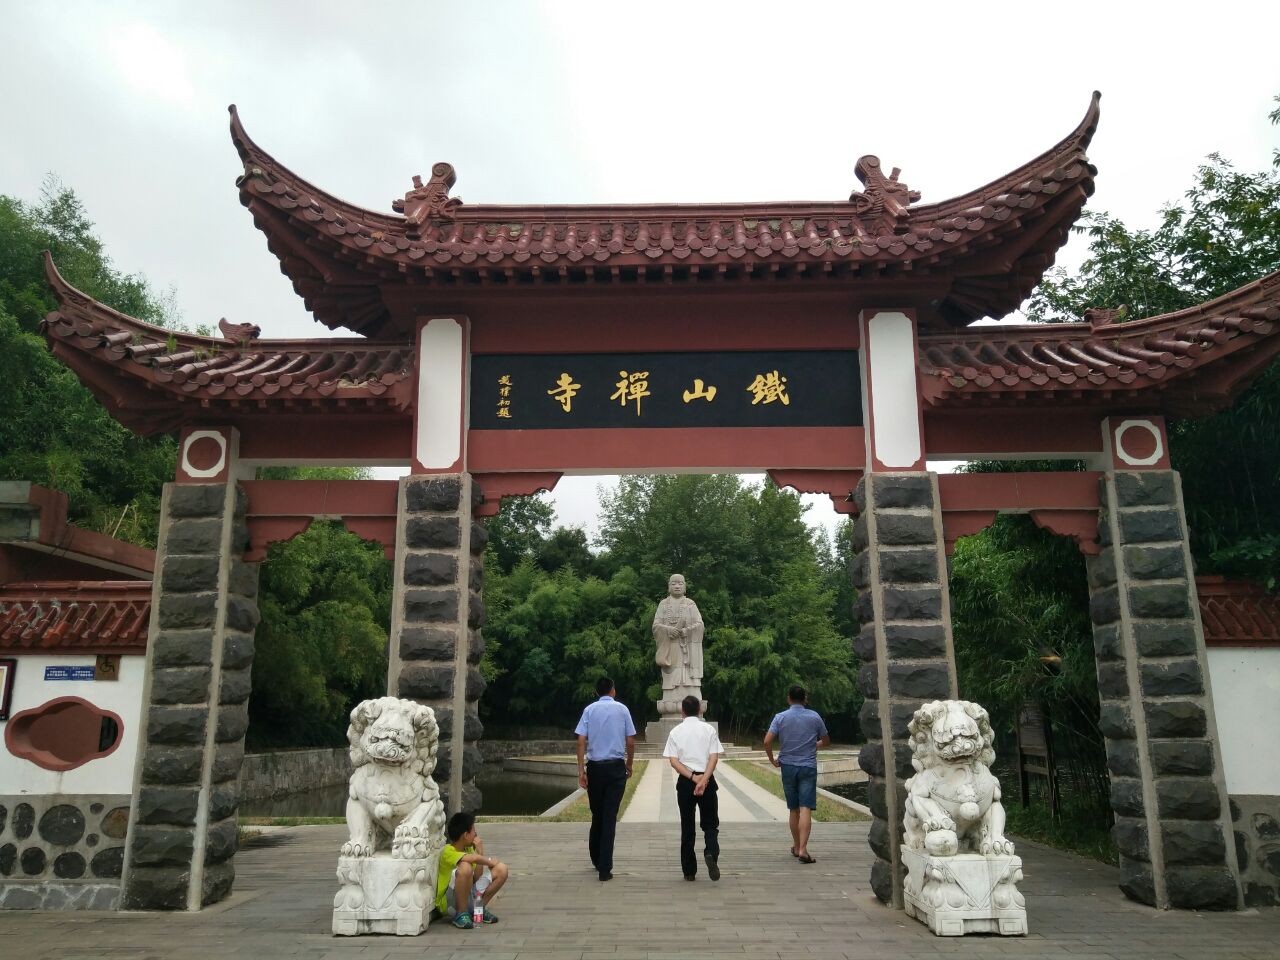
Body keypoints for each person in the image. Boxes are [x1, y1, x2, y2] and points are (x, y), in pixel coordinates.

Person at [575, 676, 636, 881]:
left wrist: (581, 770)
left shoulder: (589, 710)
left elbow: (581, 740)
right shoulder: (622, 709)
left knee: (597, 814)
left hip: (595, 768)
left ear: (597, 692)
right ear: (612, 690)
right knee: (609, 817)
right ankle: (605, 867)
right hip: (616, 768)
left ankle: (596, 857)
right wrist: (629, 764)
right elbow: (631, 741)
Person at [763, 684, 830, 864]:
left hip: (788, 766)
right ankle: (803, 849)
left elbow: (767, 741)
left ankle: (795, 845)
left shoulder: (780, 717)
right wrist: (815, 745)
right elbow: (826, 740)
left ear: (789, 699)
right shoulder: (814, 717)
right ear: (805, 699)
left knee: (793, 809)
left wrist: (772, 759)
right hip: (808, 766)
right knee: (805, 807)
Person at [662, 694, 724, 881]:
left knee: (687, 826)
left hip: (686, 783)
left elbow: (673, 761)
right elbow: (714, 757)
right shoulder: (709, 730)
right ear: (699, 710)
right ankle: (711, 852)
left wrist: (692, 777)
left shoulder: (675, 732)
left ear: (682, 711)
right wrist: (704, 779)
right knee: (710, 824)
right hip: (707, 780)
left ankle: (689, 871)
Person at [436, 810, 509, 929]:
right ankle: (461, 913)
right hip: (451, 903)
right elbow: (472, 859)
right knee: (465, 866)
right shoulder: (448, 851)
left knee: (502, 869)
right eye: (473, 830)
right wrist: (489, 860)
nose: (475, 834)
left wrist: (480, 851)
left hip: (469, 894)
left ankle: (478, 910)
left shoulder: (469, 849)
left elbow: (476, 878)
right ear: (466, 835)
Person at [652, 573, 704, 714]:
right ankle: (671, 698)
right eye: (674, 583)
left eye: (680, 583)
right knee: (672, 677)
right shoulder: (663, 604)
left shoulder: (690, 604)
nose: (677, 586)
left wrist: (687, 631)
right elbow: (656, 626)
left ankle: (692, 699)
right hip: (671, 649)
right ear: (669, 587)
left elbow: (700, 625)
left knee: (688, 677)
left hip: (687, 649)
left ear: (685, 587)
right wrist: (668, 630)